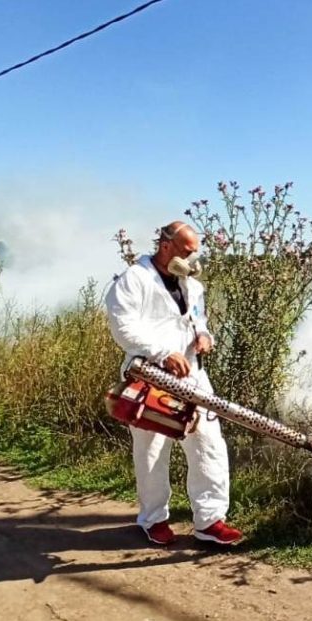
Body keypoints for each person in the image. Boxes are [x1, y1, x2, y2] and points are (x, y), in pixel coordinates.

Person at [104, 221, 243, 546]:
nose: (192, 258)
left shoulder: (191, 285)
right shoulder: (134, 279)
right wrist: (162, 353)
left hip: (193, 377)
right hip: (150, 375)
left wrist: (204, 336)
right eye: (187, 251)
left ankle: (210, 521)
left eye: (195, 252)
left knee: (209, 444)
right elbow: (122, 327)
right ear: (166, 246)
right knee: (152, 450)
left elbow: (198, 320)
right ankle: (153, 519)